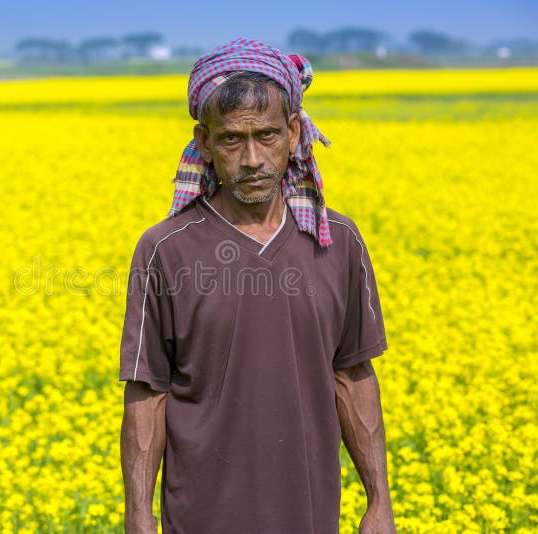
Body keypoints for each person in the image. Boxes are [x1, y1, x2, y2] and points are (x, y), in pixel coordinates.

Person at [119, 37, 396, 534]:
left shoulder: (339, 242)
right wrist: (139, 514)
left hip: (309, 514)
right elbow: (147, 391)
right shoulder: (166, 249)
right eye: (231, 140)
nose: (251, 158)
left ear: (294, 134)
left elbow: (353, 375)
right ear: (204, 142)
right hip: (199, 517)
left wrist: (379, 501)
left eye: (266, 135)